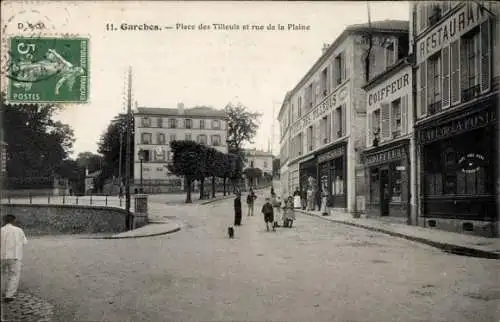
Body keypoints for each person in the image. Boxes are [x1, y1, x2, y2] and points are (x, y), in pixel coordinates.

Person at [1, 214, 28, 302]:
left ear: (4, 221)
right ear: (13, 221)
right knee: (14, 275)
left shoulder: (1, 230)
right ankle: (9, 295)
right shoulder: (19, 230)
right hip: (15, 256)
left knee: (2, 274)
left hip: (2, 255)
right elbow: (24, 242)